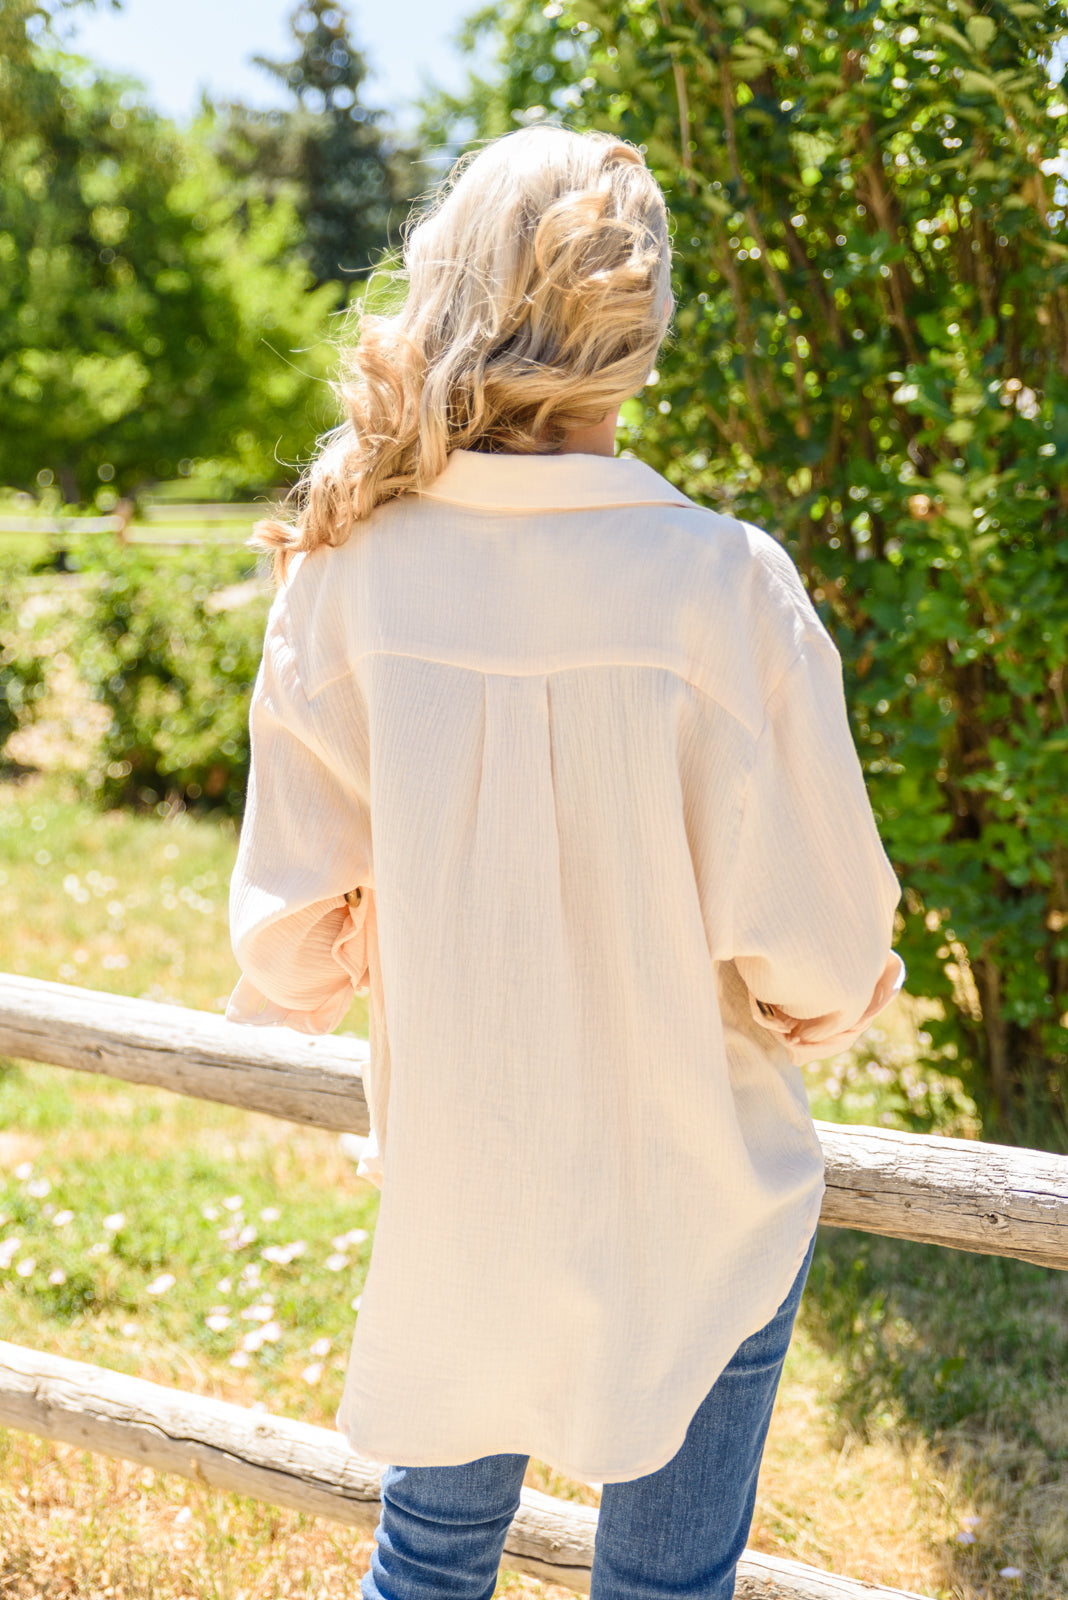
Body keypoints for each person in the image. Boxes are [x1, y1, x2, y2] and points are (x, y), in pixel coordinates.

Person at [226, 125, 904, 1600]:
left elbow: (285, 942)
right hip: (699, 1189)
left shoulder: (344, 573)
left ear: (449, 292)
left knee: (429, 1565)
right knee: (665, 1590)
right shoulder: (726, 582)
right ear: (640, 332)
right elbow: (831, 957)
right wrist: (809, 1001)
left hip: (466, 1180)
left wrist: (413, 905)